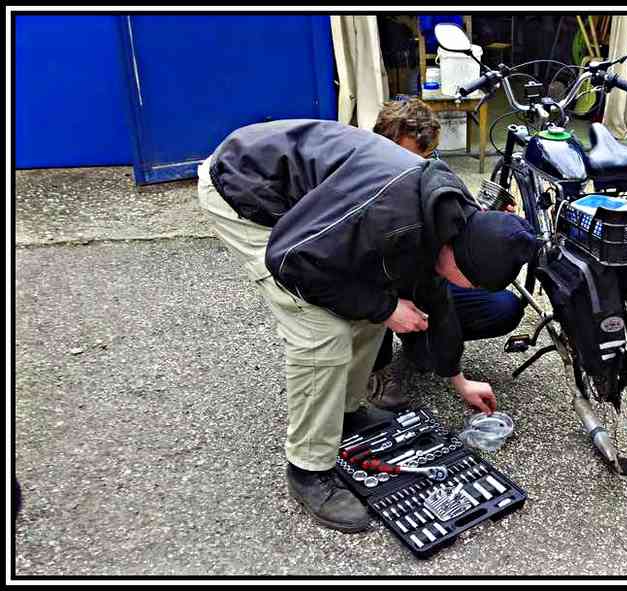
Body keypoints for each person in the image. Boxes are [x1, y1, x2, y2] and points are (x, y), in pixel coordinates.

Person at [196, 119, 538, 532]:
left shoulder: (452, 218)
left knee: (372, 305)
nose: (469, 290)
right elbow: (290, 261)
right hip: (245, 192)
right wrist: (386, 307)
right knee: (323, 331)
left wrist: (458, 379)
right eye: (472, 282)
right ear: (458, 255)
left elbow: (438, 300)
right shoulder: (392, 215)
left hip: (312, 205)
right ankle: (307, 469)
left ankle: (345, 411)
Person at [367, 98, 526, 410]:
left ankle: (420, 340)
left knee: (503, 306)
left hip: (422, 280)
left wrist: (484, 223)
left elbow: (448, 252)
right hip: (378, 281)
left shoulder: (431, 171)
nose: (418, 168)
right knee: (373, 290)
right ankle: (376, 368)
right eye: (408, 158)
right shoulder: (363, 186)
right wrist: (386, 308)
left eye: (427, 157)